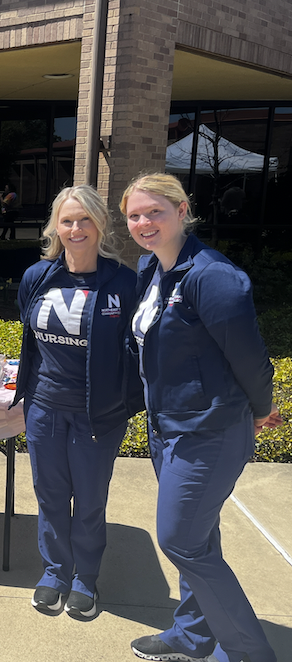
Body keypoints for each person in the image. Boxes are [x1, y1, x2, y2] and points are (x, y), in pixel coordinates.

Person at [122, 173, 281, 662]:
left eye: (155, 212)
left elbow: (249, 357)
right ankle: (192, 636)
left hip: (207, 429)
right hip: (167, 425)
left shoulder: (212, 276)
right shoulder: (152, 267)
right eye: (135, 215)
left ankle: (249, 654)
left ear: (182, 210)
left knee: (180, 539)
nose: (145, 223)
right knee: (198, 536)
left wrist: (260, 408)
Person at [12, 185, 141, 620]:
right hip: (44, 405)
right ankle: (54, 572)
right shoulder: (37, 277)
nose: (76, 228)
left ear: (100, 225)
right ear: (56, 227)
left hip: (97, 413)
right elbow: (30, 336)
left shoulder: (124, 282)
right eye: (67, 220)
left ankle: (85, 577)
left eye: (85, 219)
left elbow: (138, 348)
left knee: (89, 499)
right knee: (49, 495)